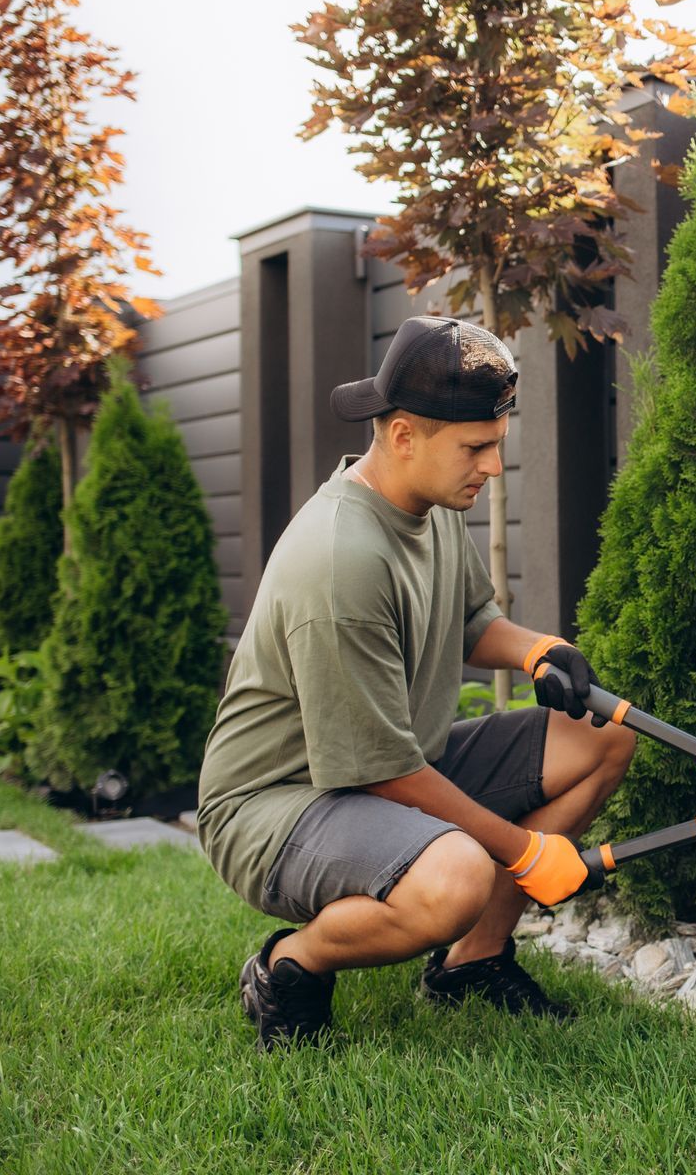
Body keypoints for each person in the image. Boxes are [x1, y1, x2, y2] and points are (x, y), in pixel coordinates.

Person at [195, 314, 634, 1050]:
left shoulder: (427, 505)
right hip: (277, 806)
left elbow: (469, 621)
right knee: (458, 875)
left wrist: (537, 651)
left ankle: (472, 963)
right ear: (403, 435)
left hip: (388, 767)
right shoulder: (340, 560)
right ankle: (289, 965)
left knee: (602, 735)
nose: (492, 468)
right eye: (477, 448)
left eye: (495, 445)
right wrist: (525, 853)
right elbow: (382, 769)